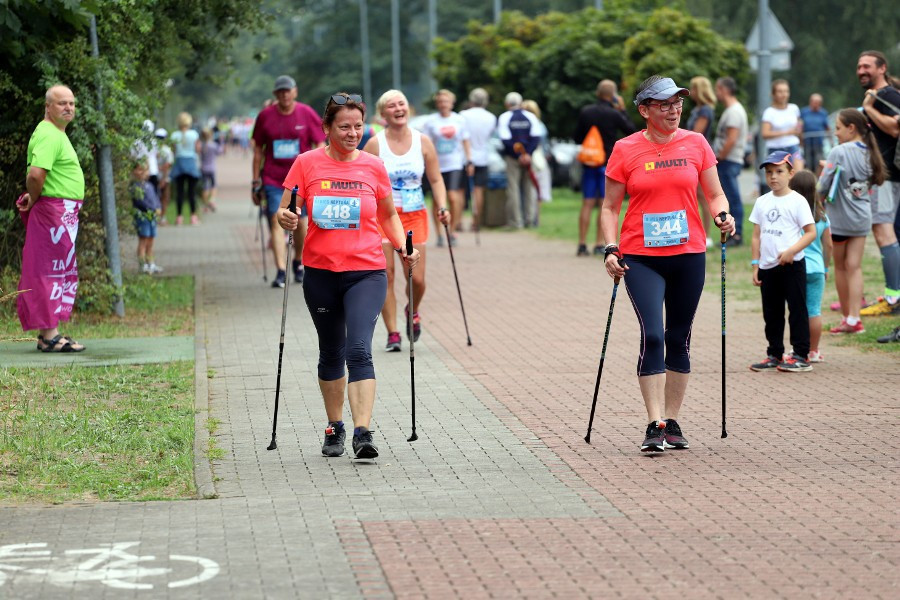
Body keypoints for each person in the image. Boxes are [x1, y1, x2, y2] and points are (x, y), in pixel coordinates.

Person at [277, 92, 421, 459]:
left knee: (359, 349)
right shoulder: (306, 164)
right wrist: (288, 218)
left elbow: (388, 215)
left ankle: (362, 431)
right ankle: (333, 427)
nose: (353, 132)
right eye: (344, 127)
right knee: (331, 352)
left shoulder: (373, 166)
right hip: (321, 273)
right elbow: (286, 210)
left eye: (358, 126)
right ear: (326, 128)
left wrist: (402, 245)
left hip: (367, 272)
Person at [599, 75, 735, 453]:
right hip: (641, 256)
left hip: (688, 254)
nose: (673, 109)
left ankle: (672, 419)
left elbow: (715, 193)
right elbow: (609, 207)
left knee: (679, 336)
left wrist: (723, 215)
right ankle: (654, 421)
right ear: (644, 110)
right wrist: (610, 248)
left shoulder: (697, 143)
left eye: (677, 103)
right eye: (663, 104)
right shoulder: (625, 149)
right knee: (654, 335)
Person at [363, 89, 451, 351]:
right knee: (385, 275)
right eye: (391, 105)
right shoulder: (374, 145)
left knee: (416, 277)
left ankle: (412, 309)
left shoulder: (423, 141)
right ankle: (392, 334)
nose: (398, 108)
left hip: (415, 215)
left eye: (401, 103)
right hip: (384, 217)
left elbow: (435, 179)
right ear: (383, 114)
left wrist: (442, 206)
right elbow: (365, 184)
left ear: (408, 108)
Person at [16, 84, 86, 353]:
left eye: (71, 103)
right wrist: (34, 198)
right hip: (52, 213)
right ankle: (49, 336)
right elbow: (35, 175)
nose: (68, 107)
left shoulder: (55, 133)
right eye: (61, 103)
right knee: (49, 270)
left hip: (62, 213)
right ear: (48, 107)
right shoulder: (48, 134)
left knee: (57, 270)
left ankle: (50, 332)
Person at [252, 75, 326, 287]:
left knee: (300, 224)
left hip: (301, 179)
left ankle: (297, 261)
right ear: (276, 94)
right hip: (274, 178)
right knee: (277, 221)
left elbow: (320, 142)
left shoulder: (306, 113)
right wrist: (255, 181)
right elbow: (258, 149)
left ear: (295, 92)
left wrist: (317, 171)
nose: (285, 94)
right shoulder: (265, 116)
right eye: (280, 91)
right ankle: (280, 271)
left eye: (288, 90)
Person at [817, 108, 886, 334]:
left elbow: (823, 185)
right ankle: (856, 317)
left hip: (839, 219)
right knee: (855, 267)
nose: (836, 133)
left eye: (838, 128)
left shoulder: (838, 152)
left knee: (841, 268)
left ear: (851, 128)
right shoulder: (870, 152)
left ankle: (847, 318)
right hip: (862, 217)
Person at [748, 152, 816, 373]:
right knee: (772, 312)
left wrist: (791, 251)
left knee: (797, 309)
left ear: (790, 174)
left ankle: (800, 355)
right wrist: (756, 264)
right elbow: (756, 235)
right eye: (769, 173)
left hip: (792, 264)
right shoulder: (761, 202)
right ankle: (775, 353)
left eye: (779, 172)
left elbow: (810, 232)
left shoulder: (798, 201)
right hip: (768, 267)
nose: (773, 177)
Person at [857, 51, 900, 317]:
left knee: (884, 233)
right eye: (859, 66)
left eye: (867, 66)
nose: (861, 70)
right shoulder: (879, 95)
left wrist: (870, 108)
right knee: (889, 233)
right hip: (881, 176)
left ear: (882, 68)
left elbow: (895, 129)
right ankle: (894, 294)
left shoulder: (888, 96)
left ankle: (893, 298)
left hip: (887, 177)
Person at [573, 79, 637, 256]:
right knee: (604, 204)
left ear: (597, 93)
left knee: (586, 203)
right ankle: (599, 244)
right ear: (613, 95)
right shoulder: (613, 114)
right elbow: (631, 131)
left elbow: (577, 137)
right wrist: (622, 110)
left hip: (589, 163)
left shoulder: (586, 112)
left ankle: (581, 244)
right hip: (607, 164)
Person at [789, 169, 831, 362]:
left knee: (798, 310)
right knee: (814, 310)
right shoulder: (822, 217)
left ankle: (799, 349)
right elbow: (828, 245)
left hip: (797, 266)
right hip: (817, 268)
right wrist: (826, 267)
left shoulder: (791, 215)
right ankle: (814, 350)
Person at [423, 89, 473, 245]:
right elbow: (426, 143)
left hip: (455, 163)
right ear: (437, 104)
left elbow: (465, 140)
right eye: (440, 101)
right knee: (437, 200)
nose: (443, 104)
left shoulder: (460, 120)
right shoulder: (431, 121)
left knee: (452, 196)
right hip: (436, 165)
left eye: (446, 101)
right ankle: (439, 234)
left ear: (452, 103)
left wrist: (469, 160)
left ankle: (452, 230)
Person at [713, 77, 749, 247]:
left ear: (724, 89)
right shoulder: (732, 110)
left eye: (717, 89)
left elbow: (731, 138)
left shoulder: (734, 111)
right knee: (731, 196)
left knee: (732, 198)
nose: (716, 93)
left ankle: (737, 234)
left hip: (729, 160)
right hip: (728, 160)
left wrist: (719, 157)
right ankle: (735, 233)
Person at [498, 92, 542, 230]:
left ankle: (516, 221)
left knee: (513, 190)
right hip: (529, 158)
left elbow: (505, 140)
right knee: (529, 189)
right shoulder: (530, 117)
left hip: (512, 158)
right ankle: (530, 219)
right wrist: (527, 154)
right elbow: (536, 138)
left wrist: (518, 155)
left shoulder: (505, 117)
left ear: (507, 104)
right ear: (521, 103)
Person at [460, 88, 497, 232]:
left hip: (464, 157)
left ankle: (459, 221)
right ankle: (476, 222)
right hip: (482, 157)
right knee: (478, 190)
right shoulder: (491, 117)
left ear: (471, 101)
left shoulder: (463, 115)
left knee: (462, 190)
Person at [687, 76, 717, 248]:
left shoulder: (705, 110)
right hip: (694, 154)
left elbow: (696, 133)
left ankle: (707, 235)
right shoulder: (698, 110)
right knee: (697, 196)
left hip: (699, 155)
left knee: (703, 197)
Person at [761, 79, 805, 171]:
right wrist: (787, 132)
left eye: (786, 91)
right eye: (780, 91)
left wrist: (799, 127)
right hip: (776, 148)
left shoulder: (794, 108)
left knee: (798, 175)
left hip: (793, 146)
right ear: (774, 94)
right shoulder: (769, 112)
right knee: (780, 180)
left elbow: (799, 123)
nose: (783, 94)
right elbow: (765, 134)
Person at [130, 159, 163, 274]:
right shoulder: (135, 187)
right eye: (140, 169)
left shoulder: (150, 185)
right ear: (134, 171)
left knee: (151, 242)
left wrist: (159, 207)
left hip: (152, 217)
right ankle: (142, 265)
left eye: (145, 169)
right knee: (143, 241)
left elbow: (156, 198)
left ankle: (151, 264)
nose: (143, 172)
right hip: (142, 217)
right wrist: (153, 209)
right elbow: (140, 202)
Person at [169, 111, 202, 226]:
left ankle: (179, 217)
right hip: (191, 163)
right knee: (191, 192)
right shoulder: (194, 134)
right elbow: (197, 149)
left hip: (179, 163)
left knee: (180, 192)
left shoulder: (174, 135)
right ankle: (193, 217)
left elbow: (173, 150)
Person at [521, 99, 551, 210]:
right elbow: (545, 145)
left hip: (532, 159)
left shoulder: (526, 125)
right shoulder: (541, 126)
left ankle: (531, 215)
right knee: (538, 189)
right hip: (539, 160)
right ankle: (535, 217)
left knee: (530, 188)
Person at [800, 94, 830, 171]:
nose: (816, 104)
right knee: (808, 161)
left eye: (818, 102)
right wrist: (800, 139)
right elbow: (800, 126)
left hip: (819, 143)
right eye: (815, 102)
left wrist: (830, 139)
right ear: (811, 102)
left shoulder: (823, 113)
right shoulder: (804, 112)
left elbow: (827, 127)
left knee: (819, 161)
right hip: (807, 142)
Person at [199, 128, 222, 213]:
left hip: (203, 168)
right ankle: (212, 200)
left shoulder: (201, 145)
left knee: (205, 187)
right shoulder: (213, 145)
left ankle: (205, 205)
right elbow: (220, 152)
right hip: (212, 168)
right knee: (214, 186)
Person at [155, 128, 173, 225]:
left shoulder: (152, 149)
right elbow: (167, 165)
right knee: (164, 199)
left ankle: (158, 217)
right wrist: (164, 179)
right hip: (164, 178)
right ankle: (161, 218)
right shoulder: (167, 150)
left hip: (154, 177)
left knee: (157, 198)